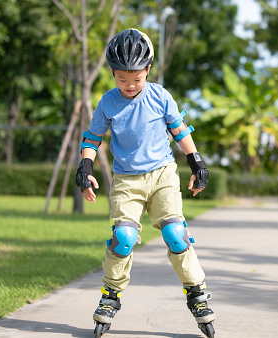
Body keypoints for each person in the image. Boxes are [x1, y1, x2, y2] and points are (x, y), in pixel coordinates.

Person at [74, 28, 216, 333]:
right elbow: (92, 137)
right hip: (126, 180)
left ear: (148, 70)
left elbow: (180, 131)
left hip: (163, 174)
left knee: (176, 233)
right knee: (123, 238)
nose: (129, 85)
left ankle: (196, 293)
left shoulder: (160, 95)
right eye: (122, 79)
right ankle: (111, 294)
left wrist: (197, 163)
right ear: (112, 72)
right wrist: (85, 167)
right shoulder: (107, 102)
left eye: (136, 79)